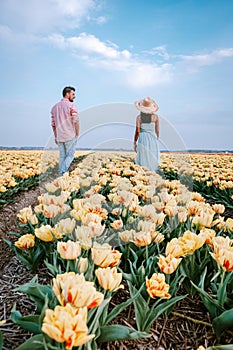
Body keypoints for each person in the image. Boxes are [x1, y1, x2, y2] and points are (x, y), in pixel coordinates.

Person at [51, 86, 79, 175]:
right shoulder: (71, 105)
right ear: (67, 94)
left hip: (59, 136)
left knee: (62, 156)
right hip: (69, 135)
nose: (74, 96)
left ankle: (60, 175)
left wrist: (55, 136)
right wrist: (77, 134)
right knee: (70, 155)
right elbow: (76, 121)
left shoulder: (54, 107)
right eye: (73, 94)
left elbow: (53, 125)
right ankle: (62, 173)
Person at [133, 97, 160, 172]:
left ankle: (143, 176)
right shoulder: (155, 117)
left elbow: (137, 131)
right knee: (152, 158)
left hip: (143, 138)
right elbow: (157, 130)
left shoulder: (139, 118)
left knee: (143, 157)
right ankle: (153, 175)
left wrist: (135, 142)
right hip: (153, 138)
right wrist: (157, 138)